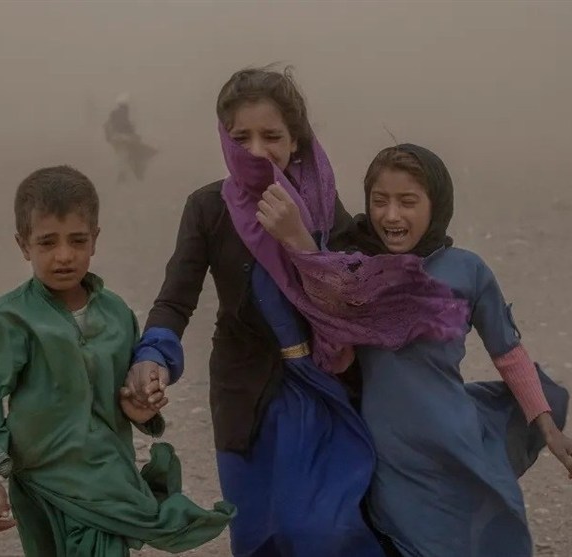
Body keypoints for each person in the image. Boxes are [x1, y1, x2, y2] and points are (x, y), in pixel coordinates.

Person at [121, 67, 470, 557]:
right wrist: (153, 355)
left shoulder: (322, 206)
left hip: (323, 388)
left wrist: (300, 240)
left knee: (326, 528)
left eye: (272, 136)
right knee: (258, 534)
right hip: (245, 395)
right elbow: (176, 299)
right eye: (241, 138)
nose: (256, 151)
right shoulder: (208, 209)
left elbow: (355, 297)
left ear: (296, 140)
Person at [257, 144, 572, 557]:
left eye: (407, 201)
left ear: (436, 204)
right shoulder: (358, 273)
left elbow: (508, 353)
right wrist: (299, 244)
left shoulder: (467, 270)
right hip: (391, 454)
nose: (391, 216)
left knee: (490, 535)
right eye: (380, 201)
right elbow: (336, 347)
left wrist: (550, 431)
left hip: (457, 444)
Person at [0, 165, 234, 557]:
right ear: (23, 245)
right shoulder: (10, 318)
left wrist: (141, 408)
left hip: (107, 480)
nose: (64, 256)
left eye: (77, 240)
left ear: (95, 240)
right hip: (40, 485)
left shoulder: (116, 314)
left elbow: (128, 396)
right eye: (47, 242)